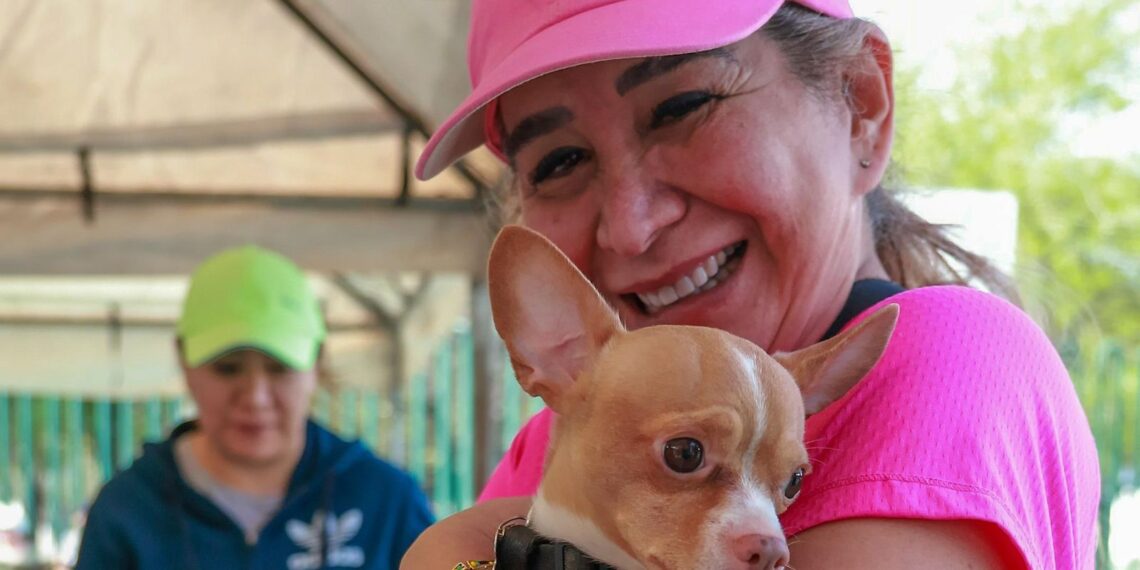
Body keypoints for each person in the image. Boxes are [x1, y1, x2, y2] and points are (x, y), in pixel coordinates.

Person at [405, 0, 1100, 568]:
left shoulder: (946, 360)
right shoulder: (551, 433)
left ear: (860, 103)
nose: (631, 225)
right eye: (560, 160)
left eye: (682, 107)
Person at [76, 245, 433, 569]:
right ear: (184, 361)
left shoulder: (386, 501)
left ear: (317, 363)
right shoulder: (129, 509)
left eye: (279, 368)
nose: (255, 398)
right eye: (227, 368)